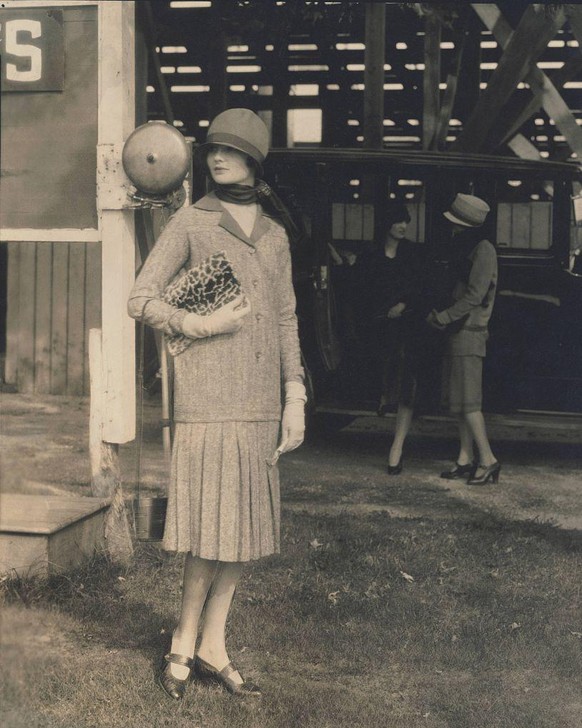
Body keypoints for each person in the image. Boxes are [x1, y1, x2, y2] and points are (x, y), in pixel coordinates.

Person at [127, 108, 306, 699]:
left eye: (230, 150)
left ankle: (214, 644)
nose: (217, 158)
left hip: (259, 403)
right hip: (207, 399)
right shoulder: (190, 222)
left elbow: (285, 319)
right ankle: (182, 641)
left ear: (255, 159)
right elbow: (141, 299)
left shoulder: (276, 235)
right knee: (210, 530)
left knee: (245, 530)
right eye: (212, 150)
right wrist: (197, 324)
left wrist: (295, 394)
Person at [426, 193, 500, 486]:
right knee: (461, 403)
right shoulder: (473, 248)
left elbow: (474, 296)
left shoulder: (483, 250)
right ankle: (465, 458)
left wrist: (443, 317)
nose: (453, 228)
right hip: (460, 333)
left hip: (468, 334)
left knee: (470, 405)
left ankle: (489, 460)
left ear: (471, 227)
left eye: (458, 224)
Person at [354, 203, 425, 474]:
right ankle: (384, 397)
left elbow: (419, 287)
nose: (404, 227)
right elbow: (360, 291)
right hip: (378, 326)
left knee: (407, 382)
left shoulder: (412, 254)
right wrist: (381, 312)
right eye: (398, 221)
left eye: (406, 222)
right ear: (387, 224)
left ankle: (396, 449)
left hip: (407, 326)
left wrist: (403, 306)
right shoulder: (369, 256)